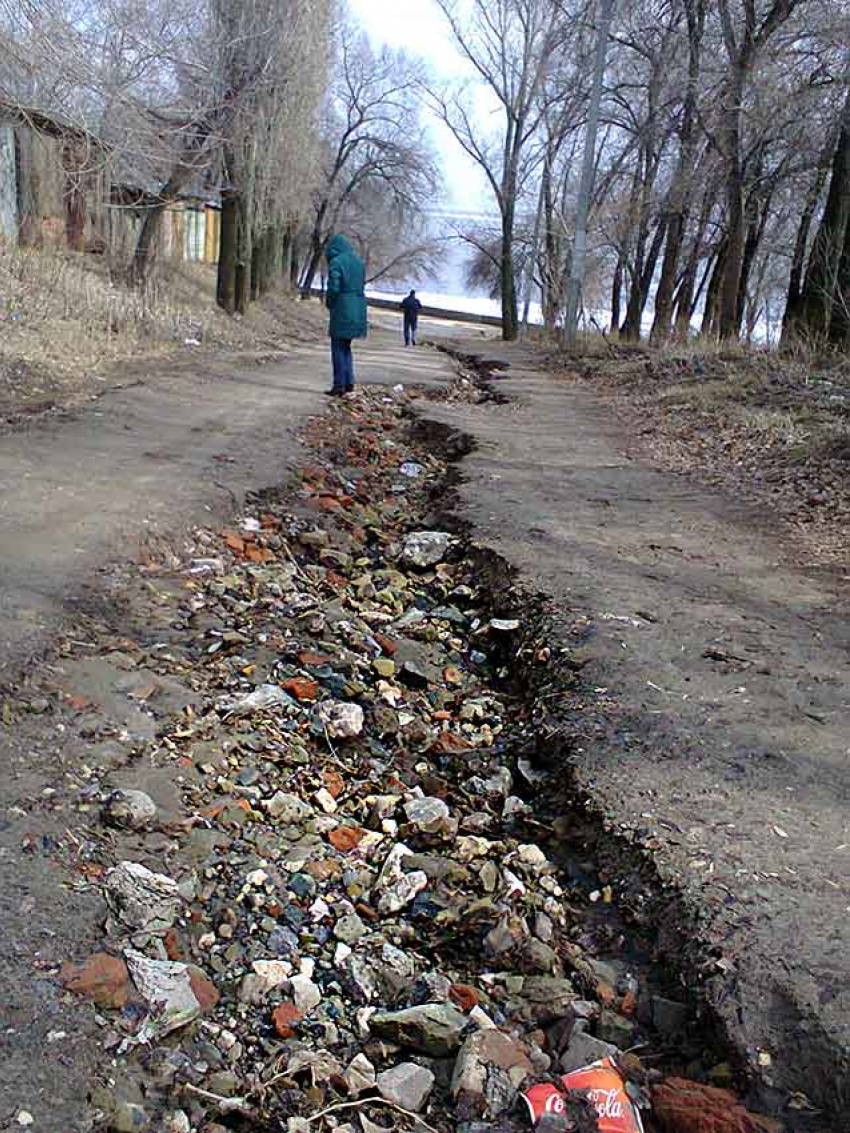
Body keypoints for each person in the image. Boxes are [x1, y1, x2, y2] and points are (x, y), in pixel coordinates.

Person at [324, 234, 368, 396]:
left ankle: (338, 385)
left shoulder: (336, 262)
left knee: (337, 347)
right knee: (346, 347)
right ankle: (349, 382)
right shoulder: (359, 262)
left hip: (342, 309)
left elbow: (334, 288)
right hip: (358, 309)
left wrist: (329, 303)